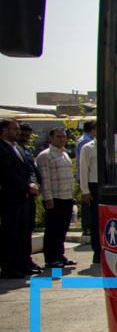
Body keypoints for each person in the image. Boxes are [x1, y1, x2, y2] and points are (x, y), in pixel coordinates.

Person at [0, 119, 40, 279]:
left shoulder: (18, 148)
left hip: (25, 198)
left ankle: (21, 263)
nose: (18, 132)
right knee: (10, 233)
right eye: (15, 129)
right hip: (11, 198)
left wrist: (34, 184)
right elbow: (8, 173)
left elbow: (29, 168)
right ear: (4, 130)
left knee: (23, 232)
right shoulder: (1, 149)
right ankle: (8, 268)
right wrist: (26, 187)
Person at [36, 127, 77, 269]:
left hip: (66, 197)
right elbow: (45, 179)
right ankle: (50, 258)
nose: (62, 139)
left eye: (63, 137)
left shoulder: (64, 154)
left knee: (62, 229)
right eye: (58, 137)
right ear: (51, 139)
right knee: (53, 229)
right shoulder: (45, 156)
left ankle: (59, 255)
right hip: (54, 198)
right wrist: (48, 197)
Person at [15, 122, 42, 274]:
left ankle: (27, 260)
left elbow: (32, 170)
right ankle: (17, 263)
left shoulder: (25, 151)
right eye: (22, 135)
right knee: (17, 233)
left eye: (27, 136)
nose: (25, 138)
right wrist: (26, 187)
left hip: (30, 194)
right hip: (17, 196)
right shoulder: (10, 150)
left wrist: (35, 184)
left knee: (27, 231)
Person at [78, 124, 100, 264]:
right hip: (94, 186)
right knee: (96, 221)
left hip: (107, 185)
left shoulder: (112, 145)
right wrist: (85, 190)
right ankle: (97, 253)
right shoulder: (88, 147)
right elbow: (83, 170)